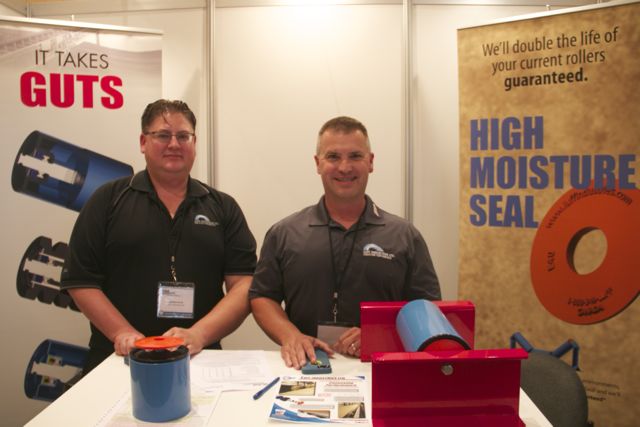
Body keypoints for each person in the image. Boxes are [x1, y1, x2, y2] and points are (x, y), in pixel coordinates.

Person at [61, 99, 257, 374]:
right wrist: (122, 333)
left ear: (194, 143)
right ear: (143, 142)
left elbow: (245, 285)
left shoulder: (223, 207)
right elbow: (81, 280)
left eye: (183, 136)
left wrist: (198, 334)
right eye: (163, 135)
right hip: (119, 358)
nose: (174, 144)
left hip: (199, 358)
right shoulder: (108, 200)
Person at [249, 116, 441, 369]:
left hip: (382, 368)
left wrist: (381, 333)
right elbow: (262, 297)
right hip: (306, 367)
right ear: (318, 163)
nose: (344, 167)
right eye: (333, 157)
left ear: (370, 162)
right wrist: (291, 336)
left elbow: (427, 309)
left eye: (355, 156)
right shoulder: (284, 233)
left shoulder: (405, 236)